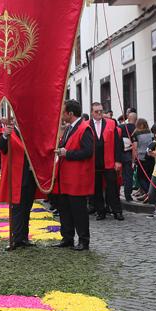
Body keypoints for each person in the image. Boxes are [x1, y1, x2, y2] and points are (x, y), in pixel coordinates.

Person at [52, 100, 94, 251]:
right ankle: (67, 238)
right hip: (66, 178)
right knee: (65, 210)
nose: (61, 115)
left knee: (79, 211)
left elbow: (88, 152)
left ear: (70, 113)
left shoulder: (84, 128)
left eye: (63, 112)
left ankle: (83, 240)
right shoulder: (70, 128)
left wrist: (66, 153)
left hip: (77, 178)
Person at [0, 121, 42, 250]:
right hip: (17, 177)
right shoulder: (10, 132)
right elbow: (2, 148)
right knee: (17, 209)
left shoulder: (30, 131)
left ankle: (24, 238)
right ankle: (16, 238)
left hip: (30, 177)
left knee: (26, 209)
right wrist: (5, 135)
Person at [90, 102, 124, 221]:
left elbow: (118, 144)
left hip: (109, 160)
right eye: (96, 111)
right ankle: (101, 211)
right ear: (92, 112)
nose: (99, 113)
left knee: (112, 188)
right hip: (94, 162)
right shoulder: (87, 125)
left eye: (101, 111)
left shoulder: (111, 123)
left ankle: (117, 211)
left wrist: (118, 160)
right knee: (97, 189)